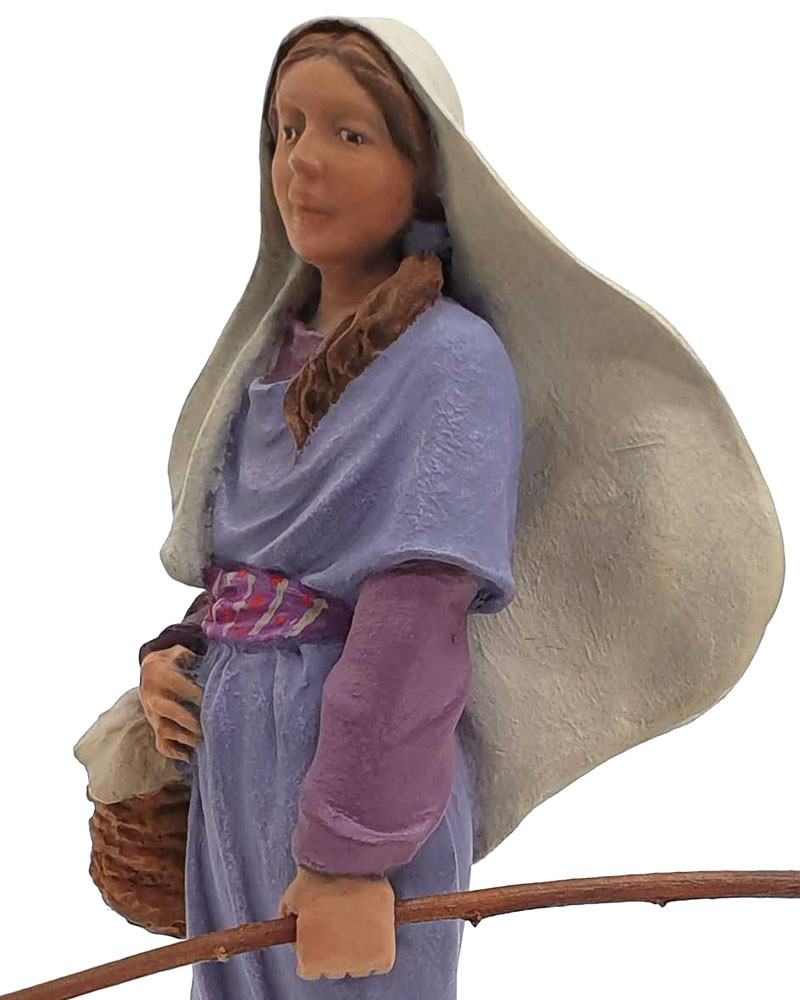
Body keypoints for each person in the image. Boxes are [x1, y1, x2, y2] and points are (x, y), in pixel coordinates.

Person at [75, 15, 784, 999]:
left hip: (353, 773)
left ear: (423, 170)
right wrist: (180, 654)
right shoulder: (260, 361)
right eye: (286, 129)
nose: (302, 162)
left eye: (348, 133)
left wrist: (347, 853)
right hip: (233, 765)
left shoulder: (452, 365)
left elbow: (413, 621)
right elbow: (248, 571)